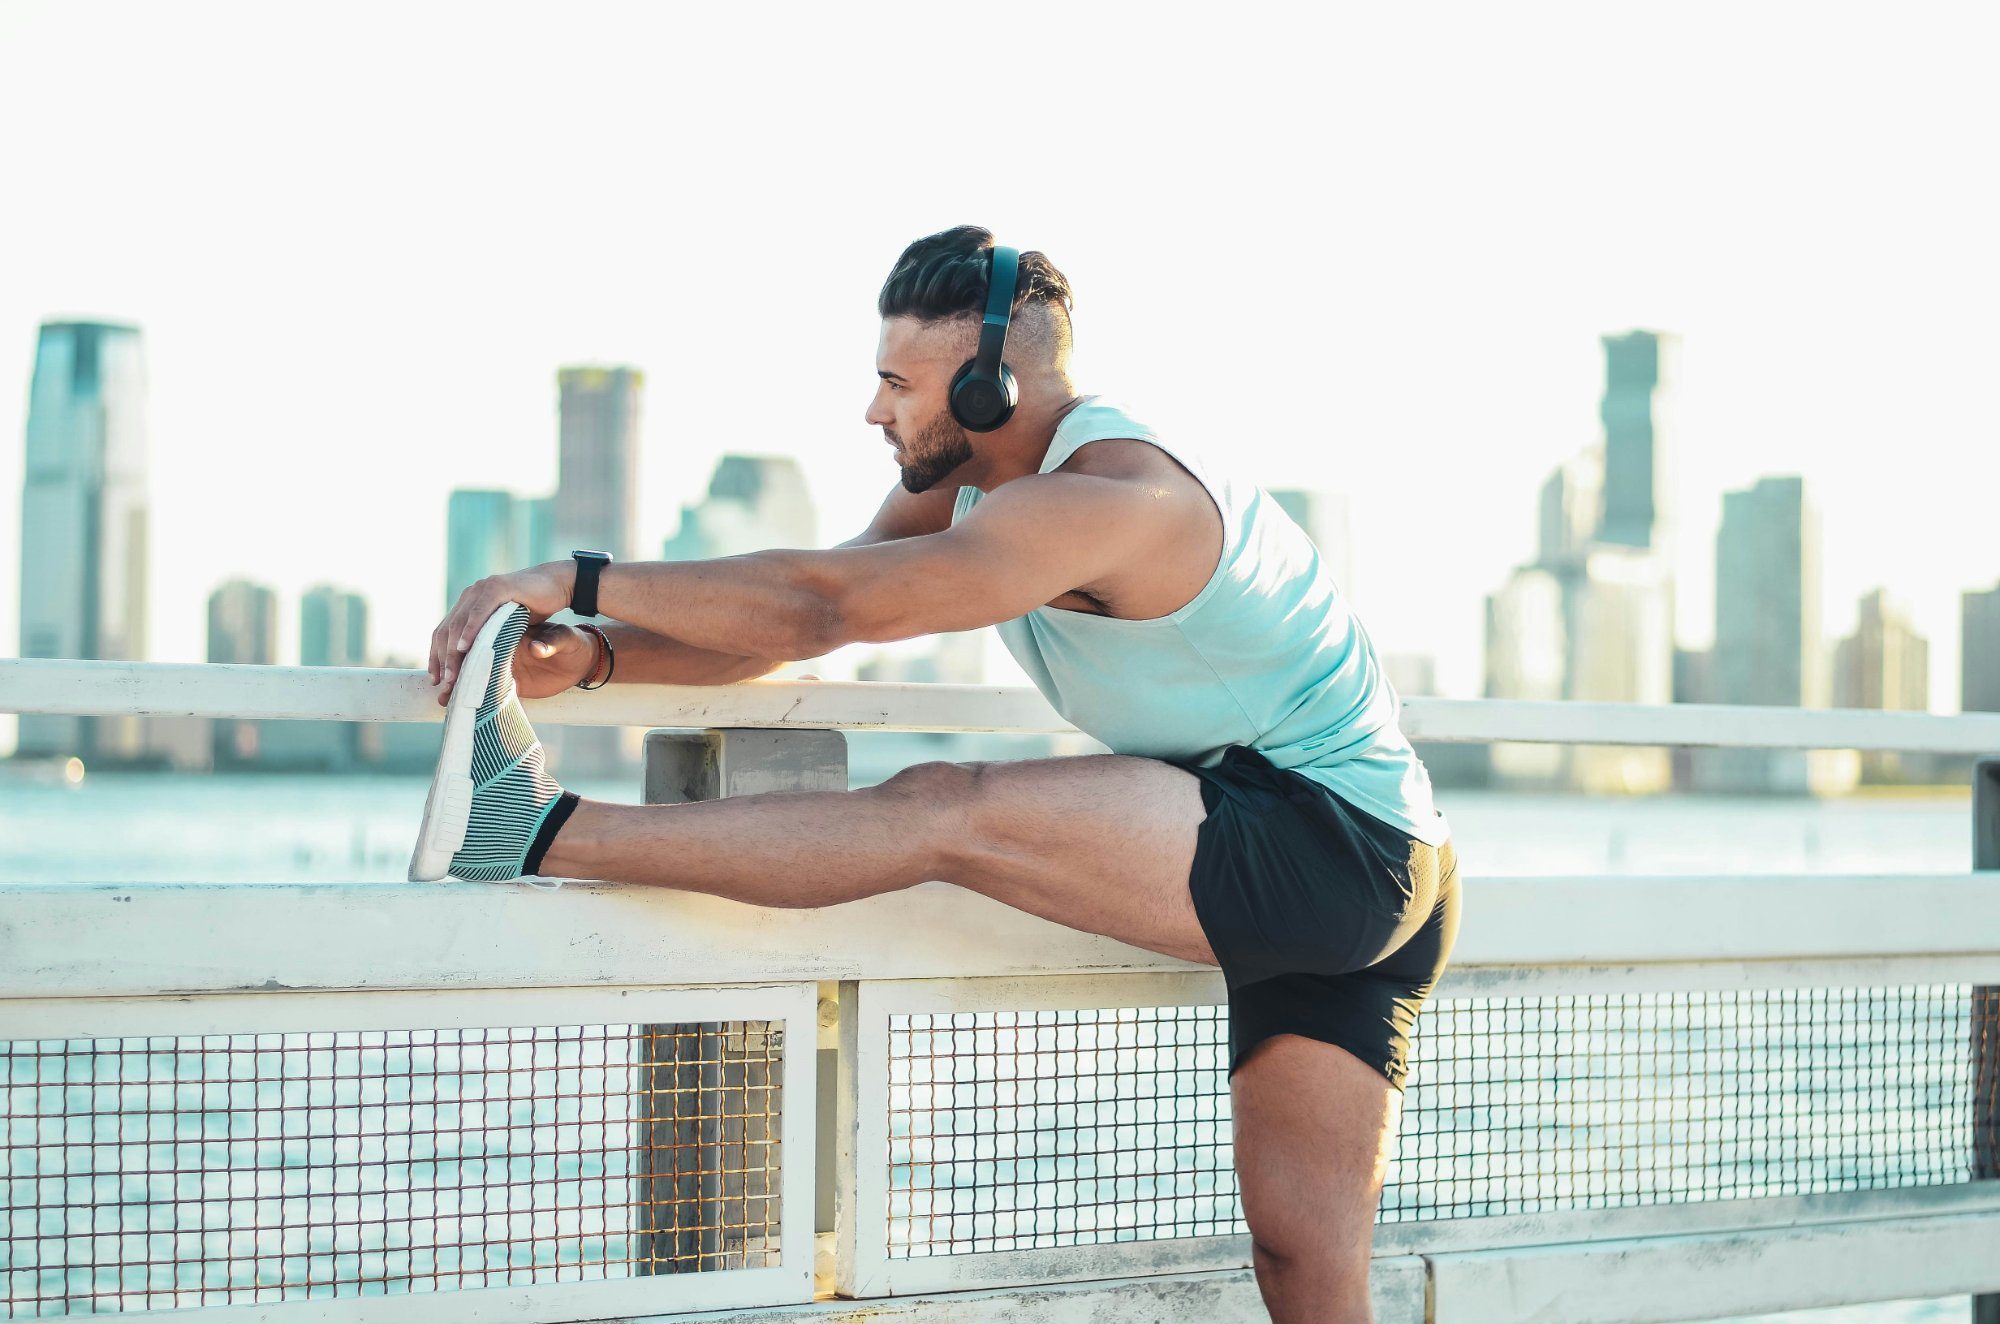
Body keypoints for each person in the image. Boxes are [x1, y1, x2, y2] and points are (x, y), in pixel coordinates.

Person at [416, 224, 1461, 1322]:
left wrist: (574, 575)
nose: (874, 412)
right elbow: (804, 621)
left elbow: (826, 600)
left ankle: (530, 829)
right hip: (1370, 862)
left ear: (986, 388)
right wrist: (593, 656)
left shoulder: (1110, 499)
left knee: (942, 809)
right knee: (1304, 1265)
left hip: (1333, 843)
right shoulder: (970, 486)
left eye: (894, 383)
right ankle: (525, 823)